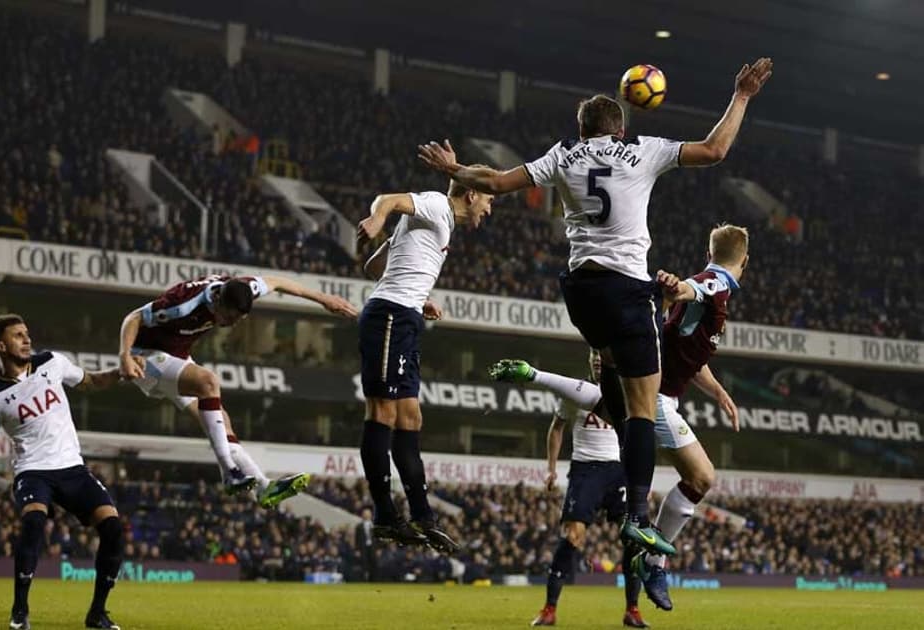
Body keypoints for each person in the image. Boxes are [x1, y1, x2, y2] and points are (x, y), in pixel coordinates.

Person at [418, 58, 772, 557]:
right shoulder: (642, 150)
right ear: (621, 126)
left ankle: (610, 413)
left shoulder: (564, 154)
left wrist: (453, 169)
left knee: (617, 397)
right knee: (643, 413)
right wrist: (741, 96)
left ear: (581, 129)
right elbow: (715, 149)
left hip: (581, 292)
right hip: (628, 290)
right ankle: (637, 518)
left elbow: (495, 182)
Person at [491, 223, 749, 616]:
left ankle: (641, 575)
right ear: (745, 260)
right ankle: (652, 561)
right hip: (653, 397)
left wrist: (719, 392)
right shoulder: (717, 284)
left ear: (707, 248)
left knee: (695, 478)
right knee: (702, 477)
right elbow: (696, 288)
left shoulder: (708, 294)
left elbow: (687, 355)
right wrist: (679, 287)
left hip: (663, 394)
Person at [117, 274, 357, 505]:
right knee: (208, 382)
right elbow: (134, 317)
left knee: (222, 422)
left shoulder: (242, 289)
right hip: (143, 357)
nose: (231, 324)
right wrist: (124, 356)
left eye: (238, 319)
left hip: (174, 357)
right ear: (218, 301)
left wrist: (324, 299)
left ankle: (263, 487)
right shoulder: (183, 304)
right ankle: (229, 471)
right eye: (229, 317)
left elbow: (279, 282)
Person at [355, 176, 494, 551]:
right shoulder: (435, 204)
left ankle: (422, 516)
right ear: (471, 193)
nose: (489, 209)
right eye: (488, 201)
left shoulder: (439, 224)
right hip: (389, 315)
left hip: (406, 315)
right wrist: (377, 218)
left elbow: (372, 267)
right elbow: (387, 196)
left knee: (410, 418)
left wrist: (421, 296)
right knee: (382, 411)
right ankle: (385, 515)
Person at [0, 314, 138, 630]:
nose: (27, 339)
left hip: (72, 468)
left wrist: (122, 372)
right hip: (33, 472)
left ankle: (97, 614)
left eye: (27, 333)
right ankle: (20, 610)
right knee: (34, 521)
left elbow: (91, 381)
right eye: (18, 335)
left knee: (113, 529)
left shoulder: (52, 362)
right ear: (0, 345)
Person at [490, 351, 648, 628]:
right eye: (594, 354)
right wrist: (551, 468)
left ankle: (632, 610)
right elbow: (556, 428)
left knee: (633, 538)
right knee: (573, 537)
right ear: (588, 359)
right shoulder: (574, 393)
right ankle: (549, 609)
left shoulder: (626, 390)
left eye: (603, 354)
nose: (598, 359)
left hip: (618, 470)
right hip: (586, 470)